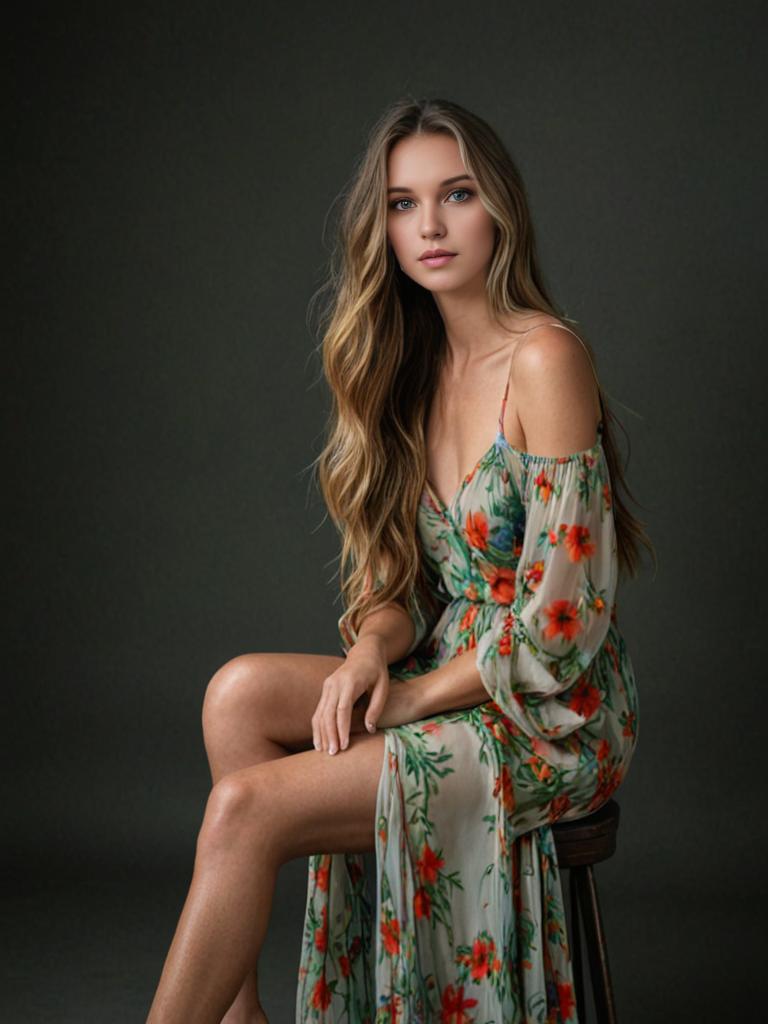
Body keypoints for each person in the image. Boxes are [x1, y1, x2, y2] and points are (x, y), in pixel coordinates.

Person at [146, 97, 654, 1024]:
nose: (428, 225)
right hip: (447, 668)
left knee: (244, 813)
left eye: (455, 195)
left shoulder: (545, 357)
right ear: (379, 224)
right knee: (236, 695)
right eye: (401, 202)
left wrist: (414, 695)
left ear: (497, 207)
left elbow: (565, 623)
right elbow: (394, 584)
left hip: (551, 709)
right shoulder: (410, 365)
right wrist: (375, 652)